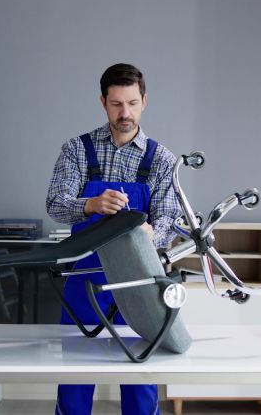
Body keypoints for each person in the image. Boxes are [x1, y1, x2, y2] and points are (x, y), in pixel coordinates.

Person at [46, 63, 180, 415]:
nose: (126, 113)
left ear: (144, 101)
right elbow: (55, 204)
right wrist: (90, 204)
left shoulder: (162, 159)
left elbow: (170, 218)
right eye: (117, 104)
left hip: (139, 282)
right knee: (75, 375)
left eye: (133, 103)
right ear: (103, 101)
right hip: (84, 279)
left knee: (140, 380)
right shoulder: (77, 150)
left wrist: (154, 231)